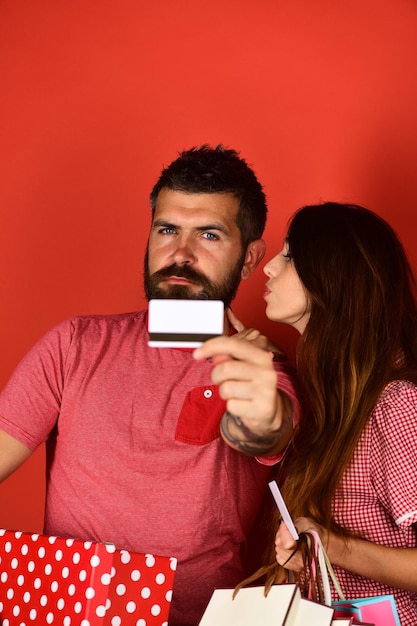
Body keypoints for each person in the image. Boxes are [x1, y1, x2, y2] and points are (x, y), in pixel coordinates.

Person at [0, 145, 298, 626]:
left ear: (249, 259)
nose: (181, 254)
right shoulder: (75, 344)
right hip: (65, 614)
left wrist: (264, 416)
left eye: (209, 234)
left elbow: (266, 431)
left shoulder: (263, 372)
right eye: (166, 230)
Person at [194, 202, 417, 625]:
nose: (270, 268)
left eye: (291, 256)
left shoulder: (396, 404)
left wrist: (332, 547)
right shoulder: (326, 400)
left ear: (333, 278)